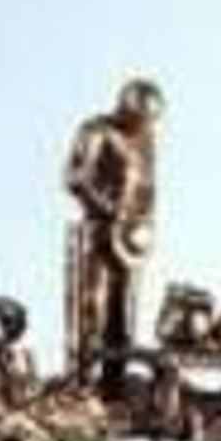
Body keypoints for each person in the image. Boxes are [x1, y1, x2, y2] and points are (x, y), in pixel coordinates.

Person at [65, 79, 163, 385]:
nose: (142, 126)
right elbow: (76, 179)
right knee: (90, 305)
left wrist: (142, 223)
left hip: (133, 236)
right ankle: (82, 380)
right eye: (138, 118)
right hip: (97, 228)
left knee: (125, 307)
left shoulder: (146, 137)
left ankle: (114, 381)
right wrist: (109, 209)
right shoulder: (97, 131)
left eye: (147, 120)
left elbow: (146, 183)